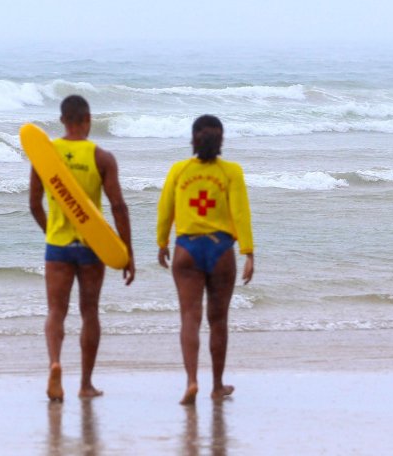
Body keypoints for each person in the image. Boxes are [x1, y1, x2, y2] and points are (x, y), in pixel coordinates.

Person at [28, 95, 135, 402]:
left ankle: (55, 363)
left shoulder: (45, 156)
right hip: (92, 247)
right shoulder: (101, 157)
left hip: (58, 246)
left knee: (56, 312)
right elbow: (118, 207)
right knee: (89, 313)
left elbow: (34, 205)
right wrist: (127, 252)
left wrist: (51, 232)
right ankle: (86, 384)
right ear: (88, 119)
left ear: (62, 120)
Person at [157, 115, 255, 405]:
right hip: (220, 249)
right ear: (221, 139)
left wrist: (162, 242)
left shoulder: (179, 170)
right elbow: (240, 213)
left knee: (189, 317)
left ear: (193, 139)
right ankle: (215, 386)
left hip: (186, 250)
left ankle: (191, 382)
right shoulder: (231, 172)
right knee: (218, 321)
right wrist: (248, 252)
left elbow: (165, 209)